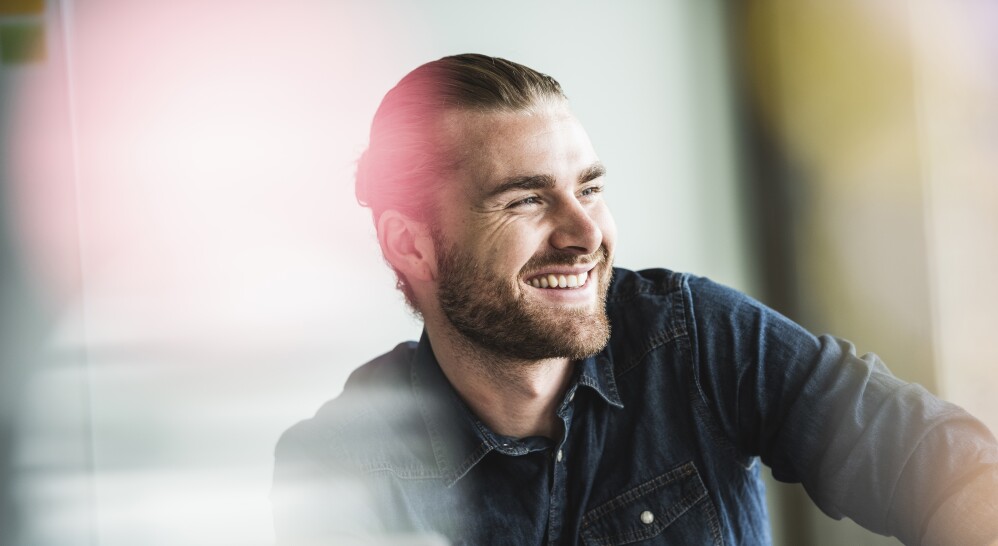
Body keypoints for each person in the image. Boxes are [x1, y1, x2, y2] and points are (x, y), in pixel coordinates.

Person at [271, 53, 998, 545]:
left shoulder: (694, 335)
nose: (586, 232)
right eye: (526, 200)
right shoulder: (345, 463)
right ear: (411, 246)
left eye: (588, 188)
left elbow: (948, 468)